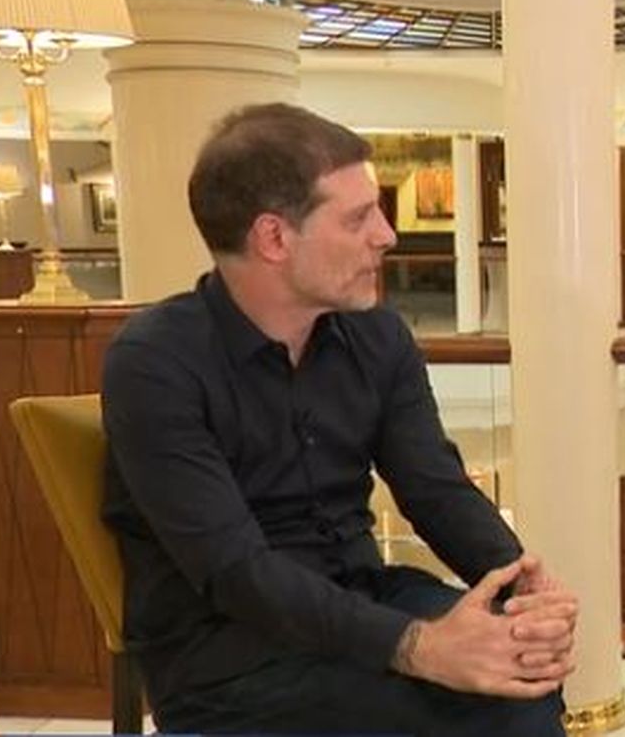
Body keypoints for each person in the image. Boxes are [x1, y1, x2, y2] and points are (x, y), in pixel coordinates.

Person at [102, 103, 575, 735]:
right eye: (358, 217)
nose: (387, 234)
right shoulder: (154, 362)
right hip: (227, 654)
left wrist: (518, 587)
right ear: (273, 238)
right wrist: (419, 646)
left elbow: (435, 489)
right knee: (490, 704)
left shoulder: (378, 337)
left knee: (520, 668)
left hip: (358, 594)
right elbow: (236, 572)